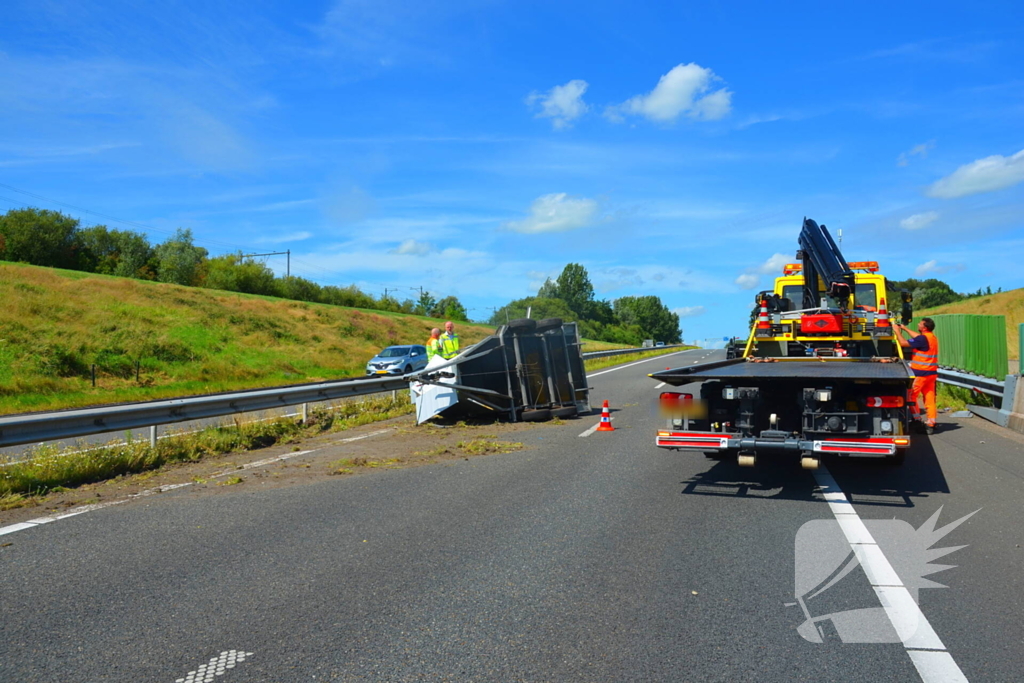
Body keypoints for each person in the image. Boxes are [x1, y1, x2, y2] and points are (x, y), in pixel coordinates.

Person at [895, 317, 939, 435]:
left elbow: (903, 343)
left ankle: (916, 420)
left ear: (924, 328)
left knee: (911, 397)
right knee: (929, 399)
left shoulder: (923, 339)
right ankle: (931, 423)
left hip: (920, 374)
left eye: (920, 323)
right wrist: (905, 328)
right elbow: (917, 337)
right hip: (931, 374)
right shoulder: (931, 337)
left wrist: (897, 331)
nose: (918, 324)